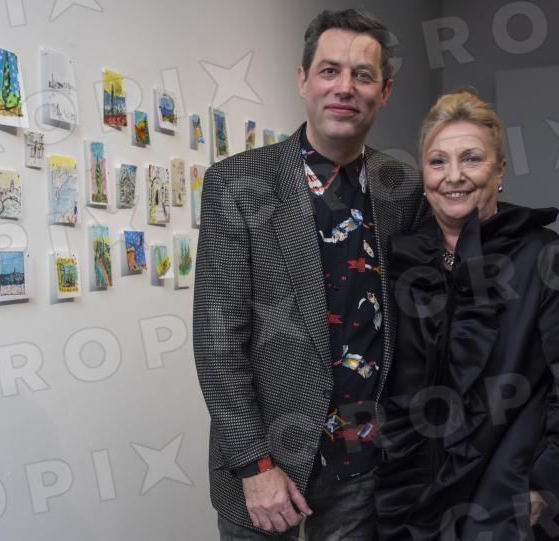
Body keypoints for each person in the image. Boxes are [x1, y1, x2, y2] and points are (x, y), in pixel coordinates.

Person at [193, 8, 427, 539]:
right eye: (329, 70)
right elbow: (217, 342)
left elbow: (451, 260)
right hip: (265, 470)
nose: (345, 88)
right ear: (303, 80)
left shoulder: (403, 189)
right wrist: (254, 465)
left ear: (385, 92)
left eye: (362, 75)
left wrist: (533, 281)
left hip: (364, 467)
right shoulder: (237, 184)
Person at [374, 89, 559, 540]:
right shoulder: (401, 258)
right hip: (414, 496)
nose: (454, 176)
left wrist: (545, 489)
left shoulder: (544, 256)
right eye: (438, 161)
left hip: (508, 500)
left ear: (500, 169)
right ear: (423, 174)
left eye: (471, 158)